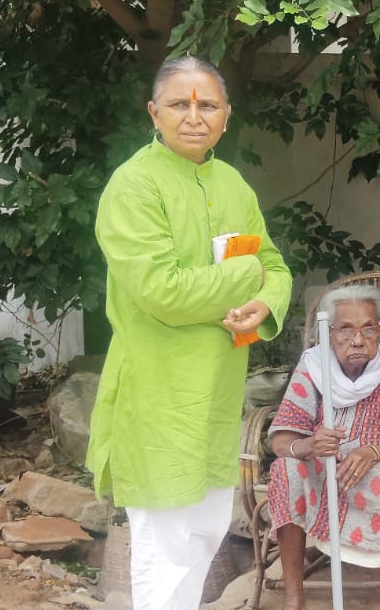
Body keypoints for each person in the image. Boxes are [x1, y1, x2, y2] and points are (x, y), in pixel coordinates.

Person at [89, 55, 293, 610]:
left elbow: (274, 266)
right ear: (154, 113)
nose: (194, 116)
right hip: (158, 396)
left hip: (218, 395)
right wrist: (244, 275)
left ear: (227, 116)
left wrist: (261, 302)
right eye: (180, 104)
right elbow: (164, 293)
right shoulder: (133, 187)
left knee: (203, 533)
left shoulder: (232, 185)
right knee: (164, 546)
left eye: (208, 104)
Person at [267, 285, 380, 610]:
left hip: (376, 461)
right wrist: (308, 444)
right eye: (346, 330)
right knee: (285, 470)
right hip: (322, 466)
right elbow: (281, 441)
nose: (358, 340)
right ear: (330, 334)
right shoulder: (313, 367)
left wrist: (370, 452)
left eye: (368, 328)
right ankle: (295, 599)